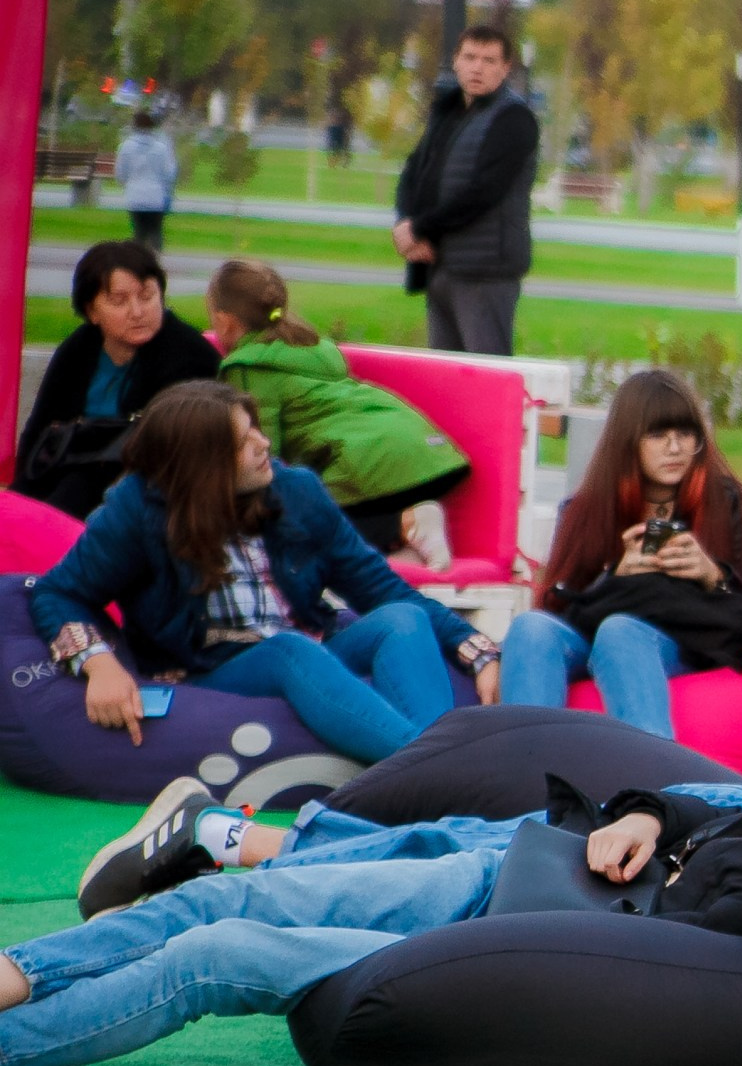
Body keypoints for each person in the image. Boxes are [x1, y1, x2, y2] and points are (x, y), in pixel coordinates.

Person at [5, 747, 742, 1066]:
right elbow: (701, 800)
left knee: (219, 951)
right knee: (232, 900)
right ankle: (21, 967)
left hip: (516, 949)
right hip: (536, 872)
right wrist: (638, 813)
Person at [30, 382, 498, 765]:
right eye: (244, 441)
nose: (264, 444)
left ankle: (437, 765)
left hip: (312, 643)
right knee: (286, 652)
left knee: (400, 619)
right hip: (211, 666)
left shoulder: (297, 491)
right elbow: (58, 593)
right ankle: (438, 770)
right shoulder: (138, 510)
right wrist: (98, 662)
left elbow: (382, 588)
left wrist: (473, 647)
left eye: (256, 428)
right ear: (202, 465)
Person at [502, 370, 742, 740]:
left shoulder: (727, 501)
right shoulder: (585, 507)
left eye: (685, 434)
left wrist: (713, 575)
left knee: (620, 630)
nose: (675, 448)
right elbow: (557, 605)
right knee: (530, 627)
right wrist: (614, 577)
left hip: (681, 636)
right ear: (629, 441)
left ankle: (651, 789)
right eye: (657, 435)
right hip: (587, 633)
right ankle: (525, 783)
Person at [208, 260, 470, 567]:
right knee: (330, 508)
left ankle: (405, 523)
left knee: (304, 525)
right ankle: (405, 540)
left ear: (225, 322)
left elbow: (263, 452)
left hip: (367, 462)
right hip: (428, 453)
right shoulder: (311, 348)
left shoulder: (246, 367)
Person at [15, 241, 223, 516]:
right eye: (119, 301)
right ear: (92, 311)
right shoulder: (78, 349)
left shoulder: (190, 356)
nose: (137, 312)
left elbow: (175, 451)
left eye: (147, 296)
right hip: (65, 471)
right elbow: (40, 429)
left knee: (76, 490)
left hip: (141, 491)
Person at [393, 24, 540, 356]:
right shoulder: (448, 113)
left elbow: (483, 193)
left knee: (486, 375)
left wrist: (420, 227)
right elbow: (415, 173)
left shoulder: (514, 118)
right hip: (441, 266)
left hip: (486, 273)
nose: (478, 67)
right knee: (447, 381)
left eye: (489, 60)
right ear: (456, 61)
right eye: (470, 57)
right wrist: (407, 226)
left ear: (505, 68)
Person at [115, 111, 179, 253]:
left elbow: (120, 174)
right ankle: (155, 259)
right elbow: (169, 173)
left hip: (134, 196)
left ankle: (139, 261)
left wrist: (128, 184)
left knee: (139, 232)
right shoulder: (161, 147)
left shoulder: (126, 147)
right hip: (156, 197)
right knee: (155, 231)